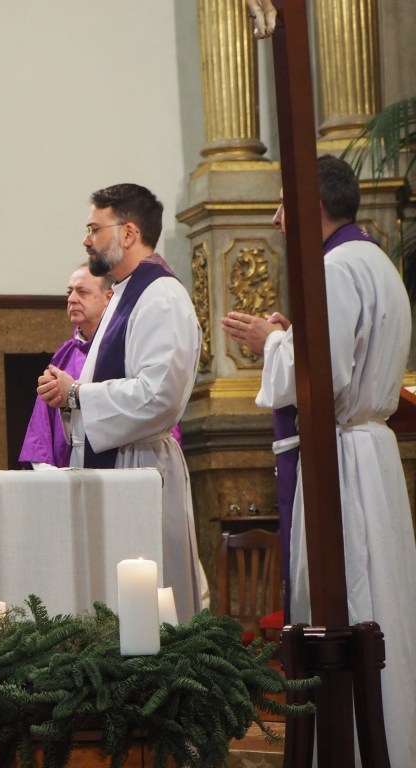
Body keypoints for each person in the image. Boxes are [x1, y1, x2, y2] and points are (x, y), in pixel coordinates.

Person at [222, 154, 416, 765]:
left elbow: (320, 379)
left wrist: (271, 341)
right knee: (383, 597)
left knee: (351, 598)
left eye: (285, 205)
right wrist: (293, 334)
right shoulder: (377, 262)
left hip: (342, 463)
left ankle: (354, 748)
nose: (279, 219)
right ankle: (394, 737)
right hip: (368, 453)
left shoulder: (332, 268)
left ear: (313, 207)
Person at [36, 184, 204, 623]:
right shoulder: (125, 294)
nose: (86, 239)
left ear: (128, 233)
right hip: (120, 465)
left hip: (141, 467)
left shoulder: (160, 296)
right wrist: (73, 395)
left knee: (147, 613)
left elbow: (159, 396)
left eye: (94, 228)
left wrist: (77, 394)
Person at [19, 265, 113, 468]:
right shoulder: (65, 355)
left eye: (82, 292)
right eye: (69, 292)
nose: (71, 299)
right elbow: (41, 426)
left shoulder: (121, 349)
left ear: (108, 297)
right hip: (71, 467)